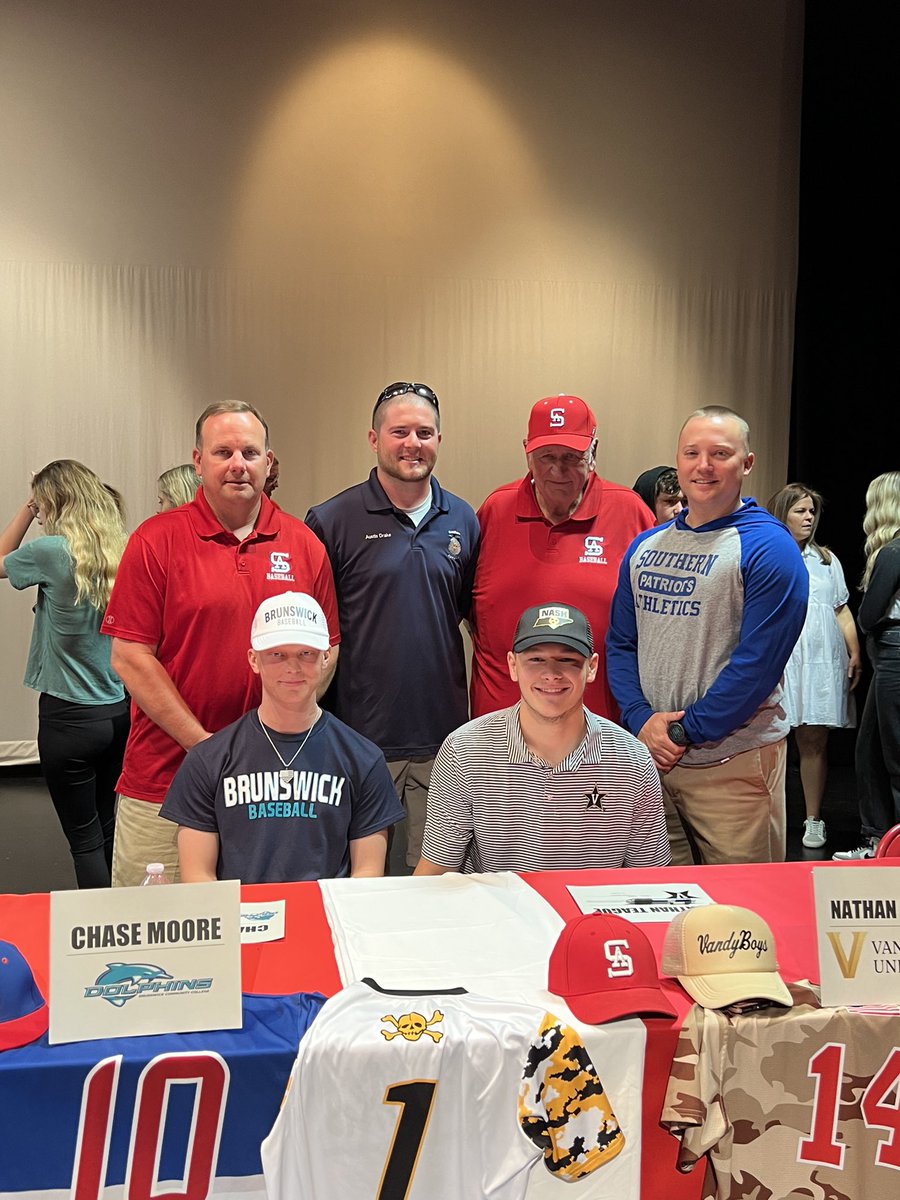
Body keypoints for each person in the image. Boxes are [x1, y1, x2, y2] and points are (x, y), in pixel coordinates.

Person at [102, 401, 339, 887]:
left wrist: (273, 739)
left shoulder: (303, 544)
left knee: (266, 938)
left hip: (275, 785)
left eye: (250, 452)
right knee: (153, 938)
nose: (238, 464)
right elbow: (130, 657)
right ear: (198, 461)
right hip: (163, 782)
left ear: (268, 462)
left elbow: (327, 649)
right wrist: (210, 751)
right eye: (223, 451)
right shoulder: (154, 540)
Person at [606, 406, 808, 866]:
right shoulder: (646, 546)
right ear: (677, 462)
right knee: (664, 907)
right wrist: (641, 721)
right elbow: (620, 643)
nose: (704, 466)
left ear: (747, 463)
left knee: (744, 917)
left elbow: (756, 667)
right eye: (692, 453)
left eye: (720, 454)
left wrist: (681, 730)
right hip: (650, 764)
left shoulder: (769, 547)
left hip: (732, 767)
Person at [306, 381, 479, 868]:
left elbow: (469, 618)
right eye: (399, 431)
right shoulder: (331, 520)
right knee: (359, 877)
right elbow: (317, 636)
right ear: (374, 438)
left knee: (433, 883)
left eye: (425, 432)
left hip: (443, 743)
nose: (412, 443)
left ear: (439, 441)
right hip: (356, 739)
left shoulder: (464, 519)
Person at [160, 593, 403, 882]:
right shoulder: (208, 760)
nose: (293, 668)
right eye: (277, 654)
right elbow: (199, 878)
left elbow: (366, 876)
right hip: (242, 920)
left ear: (326, 657)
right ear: (254, 659)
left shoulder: (363, 759)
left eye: (306, 653)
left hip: (327, 918)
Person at [414, 603, 669, 874]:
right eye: (535, 659)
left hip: (592, 914)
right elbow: (435, 873)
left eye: (568, 660)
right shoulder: (464, 750)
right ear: (513, 665)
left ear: (591, 667)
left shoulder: (632, 760)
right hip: (500, 913)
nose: (551, 674)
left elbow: (650, 878)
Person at [469, 395, 653, 721]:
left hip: (600, 734)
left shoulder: (630, 512)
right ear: (526, 453)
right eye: (546, 456)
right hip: (498, 739)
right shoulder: (495, 511)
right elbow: (465, 611)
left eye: (571, 456)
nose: (557, 469)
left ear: (593, 452)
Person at [0, 461, 130, 888]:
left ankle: (101, 928)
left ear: (51, 501)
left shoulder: (51, 551)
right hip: (117, 713)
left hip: (68, 719)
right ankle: (124, 918)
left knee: (84, 842)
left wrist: (25, 508)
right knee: (110, 829)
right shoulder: (123, 548)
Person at [766, 484, 861, 849]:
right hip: (783, 655)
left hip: (820, 659)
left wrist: (854, 653)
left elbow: (840, 609)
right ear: (783, 513)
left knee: (814, 739)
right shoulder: (770, 553)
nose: (808, 518)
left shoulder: (826, 560)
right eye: (801, 511)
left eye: (812, 512)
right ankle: (771, 818)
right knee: (772, 739)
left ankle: (813, 818)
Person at [834, 471, 900, 860]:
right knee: (869, 748)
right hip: (889, 655)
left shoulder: (893, 551)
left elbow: (870, 613)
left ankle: (891, 848)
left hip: (894, 653)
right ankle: (878, 840)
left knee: (892, 754)